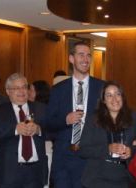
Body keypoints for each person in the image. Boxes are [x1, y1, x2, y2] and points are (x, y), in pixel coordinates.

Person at [47, 41, 105, 188]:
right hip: (64, 158)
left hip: (91, 159)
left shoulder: (102, 88)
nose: (86, 59)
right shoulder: (58, 90)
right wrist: (65, 120)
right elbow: (48, 123)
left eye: (88, 55)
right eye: (81, 55)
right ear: (71, 59)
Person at [79, 81, 136, 188]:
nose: (114, 99)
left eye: (117, 94)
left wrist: (131, 150)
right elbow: (82, 150)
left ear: (122, 97)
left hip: (125, 178)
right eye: (109, 95)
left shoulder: (132, 116)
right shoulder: (93, 119)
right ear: (104, 101)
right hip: (97, 178)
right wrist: (107, 149)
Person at [0, 73, 48, 187]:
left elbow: (53, 131)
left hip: (35, 172)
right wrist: (15, 129)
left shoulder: (41, 108)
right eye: (16, 88)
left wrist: (38, 130)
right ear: (8, 91)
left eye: (24, 87)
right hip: (9, 173)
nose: (21, 91)